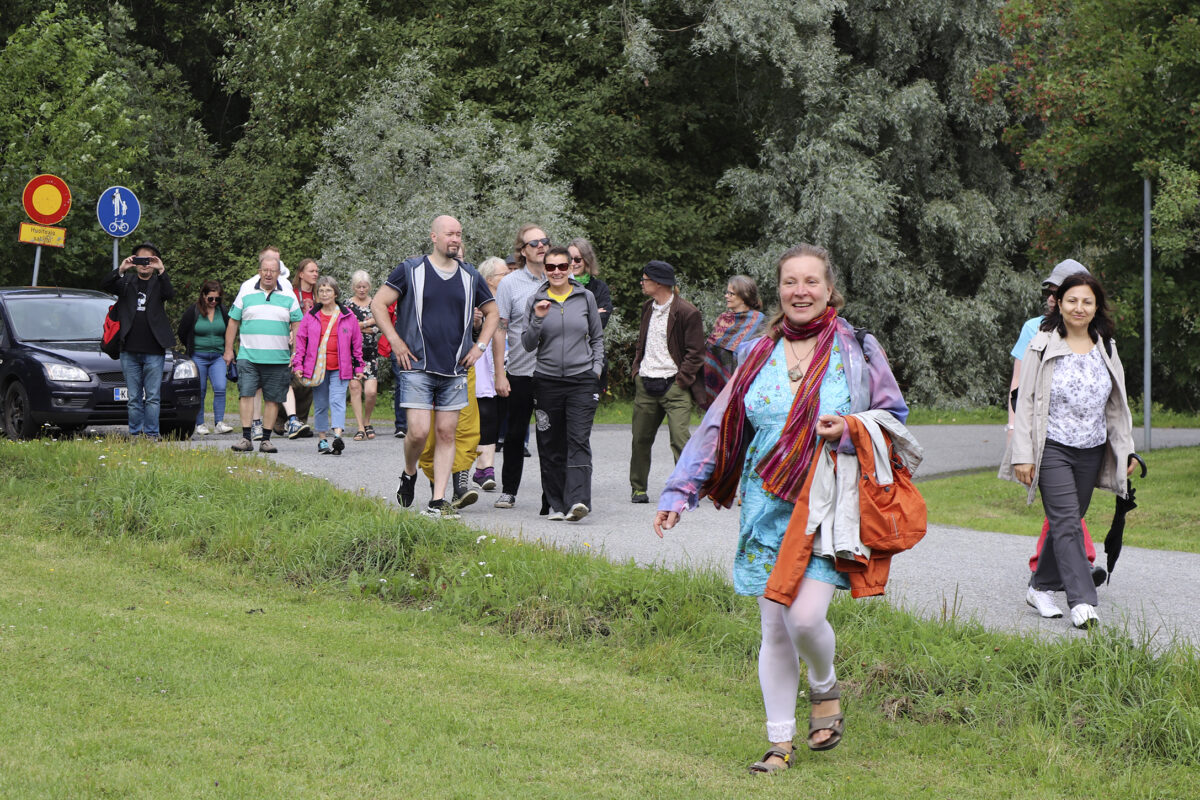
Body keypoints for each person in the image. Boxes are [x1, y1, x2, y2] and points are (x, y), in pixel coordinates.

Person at [653, 243, 909, 770]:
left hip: (828, 503)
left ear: (829, 288)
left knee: (807, 618)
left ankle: (825, 686)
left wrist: (852, 428)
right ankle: (779, 742)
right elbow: (720, 426)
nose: (800, 291)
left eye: (811, 282)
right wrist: (681, 493)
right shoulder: (758, 351)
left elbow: (894, 415)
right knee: (773, 626)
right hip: (765, 503)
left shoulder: (856, 349)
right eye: (791, 282)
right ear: (779, 290)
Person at [1001, 272, 1137, 629]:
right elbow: (1026, 400)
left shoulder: (1106, 346)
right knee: (1065, 522)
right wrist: (1023, 454)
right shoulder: (1042, 344)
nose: (1079, 307)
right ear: (1059, 304)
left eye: (1087, 301)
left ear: (1096, 308)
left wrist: (1127, 452)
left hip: (1091, 450)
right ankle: (1082, 602)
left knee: (1068, 520)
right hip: (1052, 448)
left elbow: (1117, 406)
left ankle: (1040, 586)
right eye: (1072, 300)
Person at [372, 215, 501, 518]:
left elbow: (493, 312)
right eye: (449, 234)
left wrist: (479, 347)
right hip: (416, 364)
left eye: (458, 234)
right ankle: (409, 471)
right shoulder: (410, 270)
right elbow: (379, 304)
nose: (455, 239)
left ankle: (437, 500)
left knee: (446, 433)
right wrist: (395, 340)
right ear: (433, 237)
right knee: (417, 432)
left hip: (455, 367)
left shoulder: (470, 275)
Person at [1009, 259, 1105, 585]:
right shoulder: (1034, 328)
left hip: (1086, 441)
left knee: (1066, 510)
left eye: (1057, 291)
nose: (1052, 298)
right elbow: (1020, 388)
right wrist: (1015, 434)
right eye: (1050, 292)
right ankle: (1080, 571)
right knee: (1064, 511)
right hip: (1046, 436)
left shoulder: (1094, 333)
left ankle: (1046, 574)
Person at [521, 246, 605, 521]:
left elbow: (596, 337)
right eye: (550, 267)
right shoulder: (536, 298)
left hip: (582, 380)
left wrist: (596, 369)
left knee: (578, 439)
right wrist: (538, 318)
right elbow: (528, 343)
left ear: (571, 268)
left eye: (562, 266)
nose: (556, 271)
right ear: (544, 270)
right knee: (550, 443)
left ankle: (578, 502)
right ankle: (557, 504)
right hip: (546, 381)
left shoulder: (586, 297)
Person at [629, 259, 705, 504]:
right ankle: (638, 489)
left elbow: (696, 352)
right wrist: (636, 371)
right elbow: (642, 342)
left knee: (680, 439)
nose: (641, 283)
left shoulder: (687, 312)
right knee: (640, 439)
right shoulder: (647, 307)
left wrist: (681, 381)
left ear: (659, 282)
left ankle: (685, 489)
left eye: (645, 279)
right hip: (646, 382)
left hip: (674, 385)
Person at [492, 224, 552, 509]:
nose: (541, 246)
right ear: (522, 251)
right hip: (520, 371)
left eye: (544, 241)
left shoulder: (562, 278)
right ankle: (509, 490)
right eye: (534, 243)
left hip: (554, 374)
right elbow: (500, 329)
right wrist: (499, 373)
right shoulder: (510, 283)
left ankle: (552, 494)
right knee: (515, 433)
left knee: (551, 435)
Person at [224, 253, 303, 453]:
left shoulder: (288, 294)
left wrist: (297, 352)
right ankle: (245, 438)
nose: (268, 274)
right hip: (248, 356)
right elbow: (233, 320)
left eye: (273, 271)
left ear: (279, 273)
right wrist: (228, 350)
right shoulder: (246, 290)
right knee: (246, 394)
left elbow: (297, 324)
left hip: (278, 358)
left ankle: (266, 440)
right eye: (265, 270)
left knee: (273, 399)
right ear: (259, 271)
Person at [100, 241, 176, 439]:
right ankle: (135, 434)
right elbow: (105, 284)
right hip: (129, 349)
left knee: (152, 397)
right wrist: (122, 269)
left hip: (154, 349)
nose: (145, 264)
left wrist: (161, 270)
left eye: (149, 260)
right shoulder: (127, 282)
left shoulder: (159, 282)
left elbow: (170, 294)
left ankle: (152, 434)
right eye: (140, 259)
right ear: (134, 261)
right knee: (134, 397)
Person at [293, 276, 364, 454]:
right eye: (321, 291)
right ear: (317, 295)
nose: (324, 294)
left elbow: (356, 344)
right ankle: (323, 439)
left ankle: (338, 437)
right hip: (317, 368)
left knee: (337, 400)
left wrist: (359, 367)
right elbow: (301, 342)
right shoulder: (310, 316)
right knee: (321, 403)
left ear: (335, 293)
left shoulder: (348, 316)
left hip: (341, 368)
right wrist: (298, 365)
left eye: (328, 290)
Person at [177, 279, 234, 435]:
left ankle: (219, 423)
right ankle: (200, 424)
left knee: (221, 388)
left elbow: (230, 331)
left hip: (218, 357)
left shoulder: (222, 311)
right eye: (210, 298)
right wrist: (191, 346)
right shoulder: (193, 311)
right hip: (198, 356)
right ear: (203, 296)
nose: (214, 302)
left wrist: (229, 351)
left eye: (217, 299)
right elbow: (182, 332)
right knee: (200, 390)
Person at [472, 257, 508, 490]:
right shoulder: (477, 301)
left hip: (509, 361)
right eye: (504, 274)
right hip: (481, 364)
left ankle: (485, 468)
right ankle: (484, 469)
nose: (509, 277)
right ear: (489, 280)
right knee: (484, 413)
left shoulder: (509, 298)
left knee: (497, 416)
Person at [702, 274, 765, 409]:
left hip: (744, 386)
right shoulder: (723, 319)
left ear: (744, 297)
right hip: (718, 383)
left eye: (731, 294)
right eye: (727, 292)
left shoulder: (760, 322)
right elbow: (710, 350)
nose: (726, 296)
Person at [278, 257, 320, 439]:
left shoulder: (321, 293)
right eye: (311, 271)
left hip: (315, 343)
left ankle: (301, 421)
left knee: (309, 382)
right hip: (294, 341)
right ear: (301, 274)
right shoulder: (291, 293)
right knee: (290, 380)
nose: (315, 274)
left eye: (317, 271)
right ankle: (280, 420)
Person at [346, 270, 381, 440]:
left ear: (369, 287)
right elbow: (346, 329)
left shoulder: (375, 304)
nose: (361, 289)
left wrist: (360, 325)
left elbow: (378, 327)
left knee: (371, 392)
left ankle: (367, 420)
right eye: (358, 286)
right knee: (354, 388)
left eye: (364, 286)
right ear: (353, 287)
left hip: (371, 353)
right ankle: (360, 426)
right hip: (351, 353)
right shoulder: (347, 305)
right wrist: (367, 323)